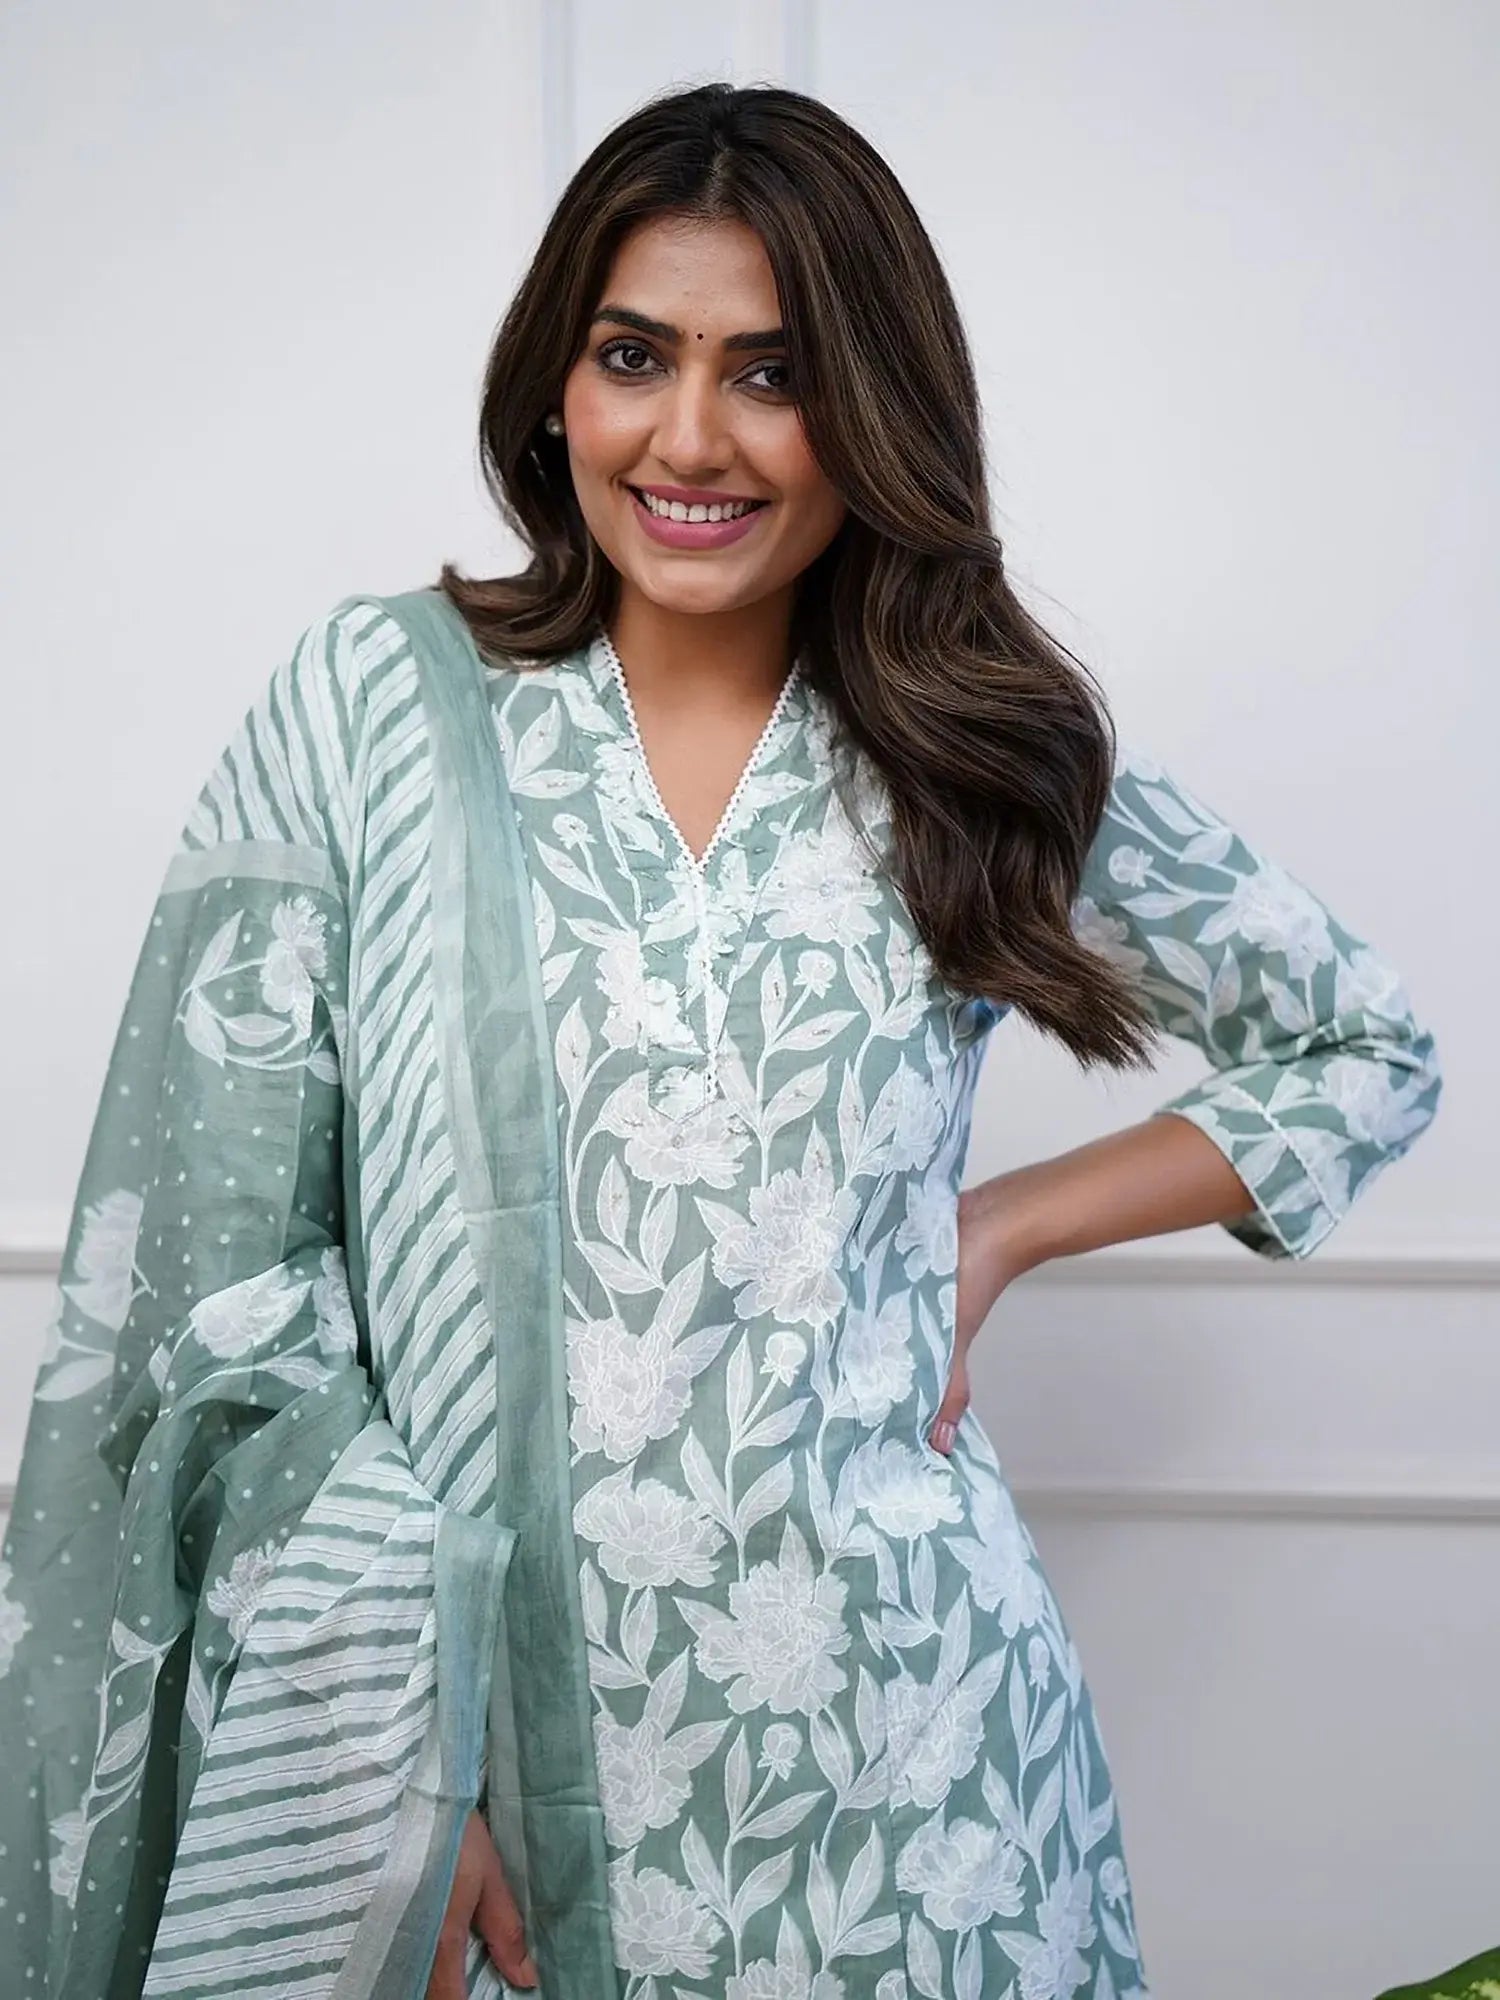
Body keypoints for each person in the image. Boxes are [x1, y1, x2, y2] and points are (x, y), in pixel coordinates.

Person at [0, 80, 1442, 2000]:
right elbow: (225, 1290)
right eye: (635, 358)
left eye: (774, 374)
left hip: (925, 1799)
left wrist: (1004, 1225)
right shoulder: (377, 712)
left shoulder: (961, 750)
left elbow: (1363, 1048)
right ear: (555, 388)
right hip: (484, 1785)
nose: (692, 438)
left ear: (875, 411)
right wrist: (391, 1794)